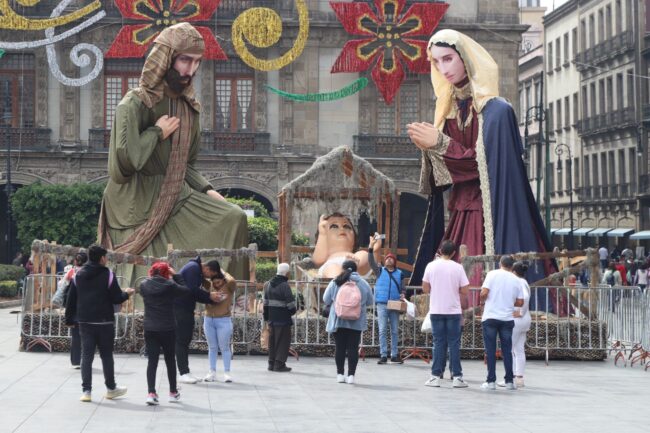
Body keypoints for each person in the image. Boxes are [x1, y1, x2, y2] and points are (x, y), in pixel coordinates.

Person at [406, 29, 557, 313]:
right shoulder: (449, 112)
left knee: (477, 271)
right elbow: (447, 174)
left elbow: (484, 164)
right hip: (461, 209)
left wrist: (439, 144)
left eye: (448, 59)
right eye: (436, 62)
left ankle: (484, 313)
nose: (443, 68)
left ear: (466, 59)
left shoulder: (497, 111)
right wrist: (431, 149)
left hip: (491, 212)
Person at [97, 22, 249, 284]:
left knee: (234, 217)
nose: (191, 70)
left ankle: (229, 295)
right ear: (165, 59)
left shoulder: (188, 108)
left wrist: (210, 192)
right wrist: (156, 133)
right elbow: (122, 166)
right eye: (185, 60)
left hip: (176, 192)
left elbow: (184, 166)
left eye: (197, 62)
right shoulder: (133, 103)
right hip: (135, 199)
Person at [64, 244, 135, 402]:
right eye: (106, 257)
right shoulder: (108, 274)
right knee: (106, 356)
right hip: (104, 322)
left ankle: (87, 392)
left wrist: (69, 319)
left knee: (86, 356)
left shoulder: (78, 274)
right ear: (102, 258)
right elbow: (117, 298)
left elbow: (70, 299)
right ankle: (111, 388)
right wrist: (127, 293)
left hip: (85, 321)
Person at [421, 240, 469, 388]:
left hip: (436, 309)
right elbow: (465, 290)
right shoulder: (458, 267)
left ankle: (435, 376)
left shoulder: (431, 265)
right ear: (454, 253)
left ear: (440, 251)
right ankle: (457, 377)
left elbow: (425, 288)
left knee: (438, 343)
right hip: (453, 310)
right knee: (454, 343)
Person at [139, 262, 190, 405]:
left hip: (150, 327)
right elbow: (186, 290)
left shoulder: (143, 285)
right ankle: (173, 392)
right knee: (169, 360)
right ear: (166, 272)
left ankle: (151, 392)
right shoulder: (170, 286)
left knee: (152, 361)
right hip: (168, 327)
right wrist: (176, 275)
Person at [323, 260, 373, 385]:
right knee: (353, 348)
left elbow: (326, 299)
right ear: (356, 269)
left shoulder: (336, 281)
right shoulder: (363, 283)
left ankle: (340, 374)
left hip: (338, 320)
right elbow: (370, 302)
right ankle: (351, 376)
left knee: (339, 348)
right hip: (356, 321)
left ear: (343, 268)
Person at [479, 255, 524, 390]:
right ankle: (509, 381)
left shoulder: (492, 274)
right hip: (507, 319)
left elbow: (484, 293)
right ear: (512, 266)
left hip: (491, 317)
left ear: (500, 264)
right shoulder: (517, 280)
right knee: (507, 351)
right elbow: (520, 302)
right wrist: (509, 301)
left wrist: (483, 300)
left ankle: (491, 381)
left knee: (490, 350)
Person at [177, 257, 221, 384]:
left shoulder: (194, 268)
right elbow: (192, 290)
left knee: (185, 340)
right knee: (182, 341)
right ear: (207, 268)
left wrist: (210, 299)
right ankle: (183, 372)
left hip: (185, 308)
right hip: (180, 308)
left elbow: (193, 293)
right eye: (210, 275)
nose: (208, 278)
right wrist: (209, 296)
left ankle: (186, 371)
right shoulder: (193, 268)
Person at [368, 233, 405, 365]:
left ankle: (394, 354)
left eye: (391, 258)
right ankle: (383, 354)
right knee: (382, 329)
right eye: (387, 258)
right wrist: (370, 248)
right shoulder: (379, 271)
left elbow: (403, 288)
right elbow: (371, 261)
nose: (389, 260)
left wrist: (403, 295)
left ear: (394, 261)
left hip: (394, 304)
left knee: (395, 330)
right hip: (382, 303)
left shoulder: (400, 274)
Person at [202, 261, 237, 383]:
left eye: (219, 282)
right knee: (212, 347)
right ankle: (212, 372)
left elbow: (232, 280)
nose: (216, 285)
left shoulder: (229, 287)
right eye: (214, 282)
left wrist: (221, 270)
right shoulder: (209, 286)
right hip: (208, 319)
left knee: (224, 347)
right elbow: (201, 278)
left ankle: (227, 372)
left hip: (224, 320)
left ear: (223, 280)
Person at [498, 261, 531, 388]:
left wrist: (520, 311)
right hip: (525, 319)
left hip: (518, 319)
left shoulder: (518, 282)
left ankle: (509, 378)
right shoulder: (525, 282)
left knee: (509, 349)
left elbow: (525, 297)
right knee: (519, 349)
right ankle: (519, 378)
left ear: (514, 272)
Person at [313, 213, 377, 278]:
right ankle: (340, 282)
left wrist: (375, 250)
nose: (341, 229)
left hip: (355, 263)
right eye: (334, 226)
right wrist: (322, 234)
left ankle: (351, 267)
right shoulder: (327, 258)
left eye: (346, 226)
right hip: (331, 266)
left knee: (363, 255)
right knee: (332, 269)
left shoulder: (356, 255)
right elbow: (318, 261)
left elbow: (375, 262)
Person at [54, 252, 88, 369]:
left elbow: (61, 284)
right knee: (87, 337)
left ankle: (76, 361)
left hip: (74, 307)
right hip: (87, 307)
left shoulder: (72, 272)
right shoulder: (89, 273)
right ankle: (86, 359)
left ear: (75, 261)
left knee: (76, 336)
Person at [263, 263, 297, 372]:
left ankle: (271, 363)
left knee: (272, 342)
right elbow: (291, 304)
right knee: (283, 342)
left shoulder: (268, 284)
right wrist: (292, 311)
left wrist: (267, 317)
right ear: (286, 273)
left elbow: (265, 303)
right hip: (283, 319)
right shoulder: (284, 285)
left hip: (271, 319)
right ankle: (279, 364)